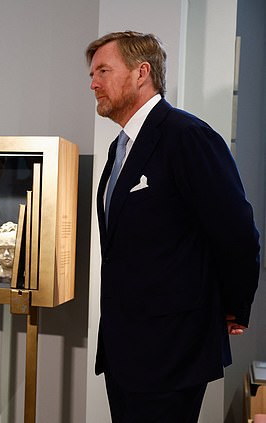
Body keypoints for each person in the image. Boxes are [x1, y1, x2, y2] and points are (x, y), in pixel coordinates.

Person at [86, 31, 259, 422]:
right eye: (92, 73)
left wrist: (234, 305)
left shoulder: (188, 136)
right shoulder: (121, 147)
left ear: (141, 72)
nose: (93, 83)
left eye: (103, 70)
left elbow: (236, 231)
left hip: (171, 351)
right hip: (124, 350)